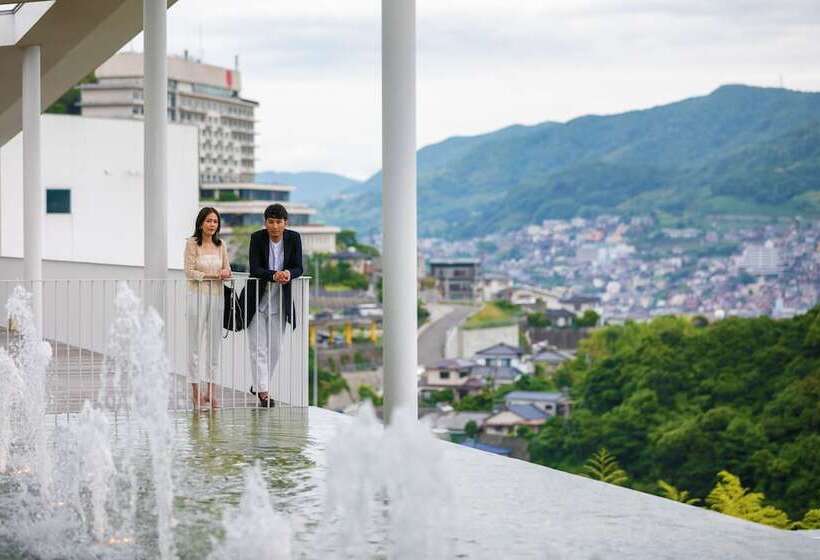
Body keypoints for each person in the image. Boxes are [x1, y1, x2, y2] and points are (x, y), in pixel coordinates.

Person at [246, 203, 303, 407]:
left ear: (285, 223)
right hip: (256, 300)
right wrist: (273, 275)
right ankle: (263, 391)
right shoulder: (257, 238)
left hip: (281, 300)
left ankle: (259, 384)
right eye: (271, 222)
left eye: (279, 222)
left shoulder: (294, 238)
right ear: (265, 223)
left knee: (275, 348)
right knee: (257, 348)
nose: (275, 226)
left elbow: (299, 267)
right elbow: (254, 269)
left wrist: (288, 273)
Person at [184, 207, 231, 409]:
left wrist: (225, 273)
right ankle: (195, 392)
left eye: (215, 221)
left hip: (217, 297)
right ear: (201, 223)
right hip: (197, 297)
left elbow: (227, 268)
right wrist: (211, 276)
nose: (212, 225)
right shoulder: (192, 243)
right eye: (209, 221)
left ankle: (211, 391)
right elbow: (189, 271)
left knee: (214, 345)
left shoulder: (221, 245)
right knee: (194, 345)